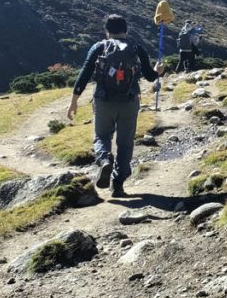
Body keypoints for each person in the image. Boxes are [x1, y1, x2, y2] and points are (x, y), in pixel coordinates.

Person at [67, 14, 163, 197]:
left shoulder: (99, 47)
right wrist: (158, 71)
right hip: (129, 101)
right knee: (125, 144)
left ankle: (104, 160)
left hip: (104, 101)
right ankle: (118, 185)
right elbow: (150, 77)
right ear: (126, 30)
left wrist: (73, 102)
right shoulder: (136, 48)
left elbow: (84, 74)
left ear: (107, 31)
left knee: (101, 136)